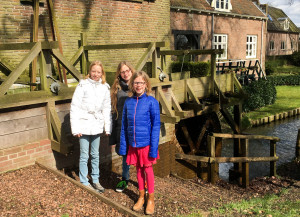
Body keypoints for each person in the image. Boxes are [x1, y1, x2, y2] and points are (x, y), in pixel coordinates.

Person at [119, 71, 160, 215]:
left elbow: (156, 126)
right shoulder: (128, 102)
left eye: (141, 82)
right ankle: (141, 196)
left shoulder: (152, 102)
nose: (138, 85)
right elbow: (124, 125)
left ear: (146, 84)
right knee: (138, 170)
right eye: (136, 82)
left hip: (147, 144)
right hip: (133, 144)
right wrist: (124, 145)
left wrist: (153, 148)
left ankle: (151, 199)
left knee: (148, 170)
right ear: (132, 84)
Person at [70, 60, 111, 193]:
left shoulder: (105, 87)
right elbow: (75, 107)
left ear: (102, 73)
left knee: (95, 154)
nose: (96, 74)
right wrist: (76, 128)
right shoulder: (82, 85)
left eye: (98, 72)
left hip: (96, 124)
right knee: (84, 155)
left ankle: (95, 179)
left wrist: (107, 127)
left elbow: (106, 108)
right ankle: (84, 180)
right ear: (90, 71)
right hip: (83, 124)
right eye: (93, 71)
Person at [110, 61, 134, 192]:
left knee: (141, 154)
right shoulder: (116, 89)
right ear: (119, 74)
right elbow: (113, 111)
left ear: (131, 71)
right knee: (125, 154)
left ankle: (145, 180)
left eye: (128, 70)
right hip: (122, 127)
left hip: (136, 127)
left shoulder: (138, 85)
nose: (126, 74)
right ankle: (125, 178)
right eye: (123, 71)